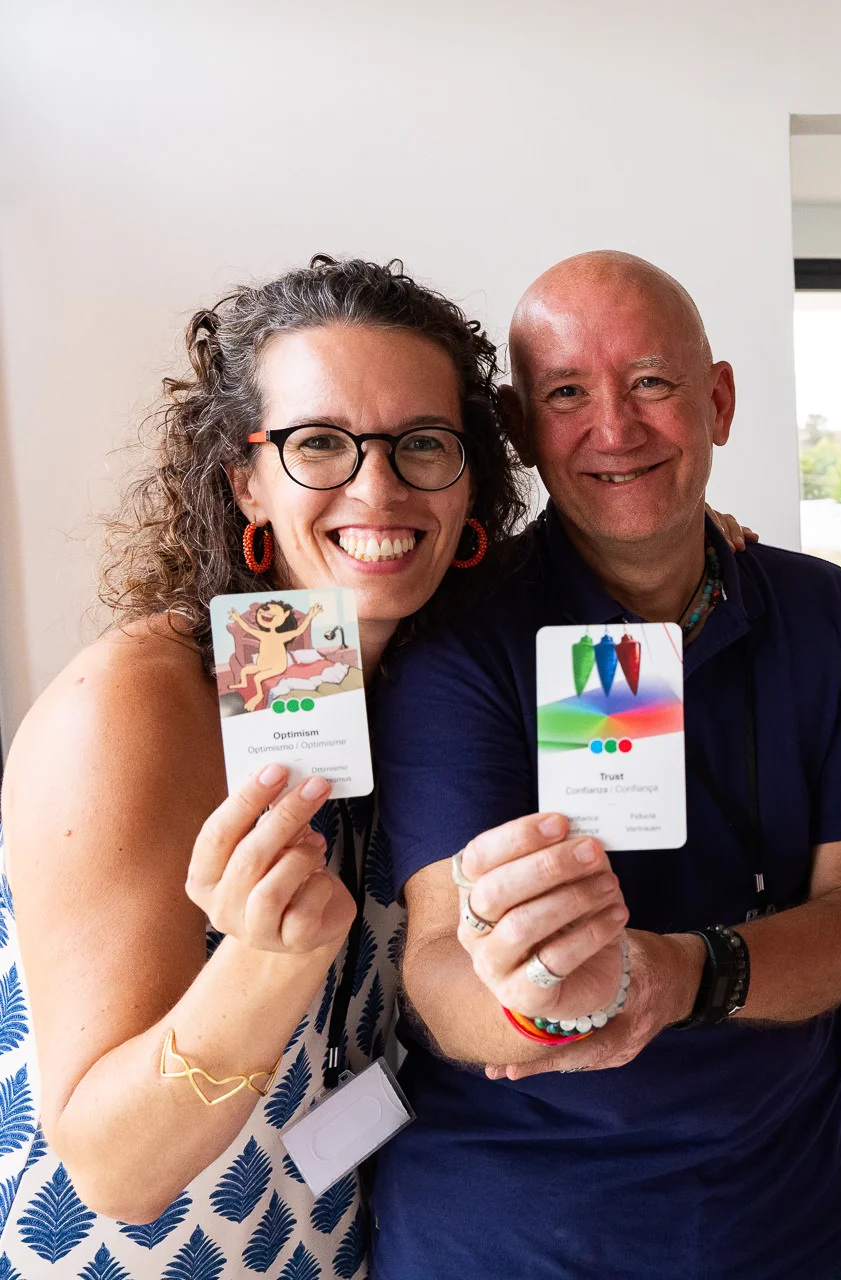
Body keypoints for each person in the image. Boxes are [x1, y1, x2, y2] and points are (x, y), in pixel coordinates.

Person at [369, 250, 841, 1279]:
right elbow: (442, 968)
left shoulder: (822, 610)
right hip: (515, 1240)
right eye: (567, 393)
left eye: (651, 383)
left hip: (786, 1222)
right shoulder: (461, 642)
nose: (613, 428)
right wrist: (538, 998)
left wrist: (681, 975)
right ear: (523, 427)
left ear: (718, 399)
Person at [0, 256, 524, 1277]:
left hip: (323, 1247)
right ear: (245, 475)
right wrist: (267, 961)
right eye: (318, 442)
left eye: (423, 443)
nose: (379, 486)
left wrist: (695, 555)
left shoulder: (430, 677)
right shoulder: (133, 706)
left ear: (470, 480)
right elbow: (111, 1167)